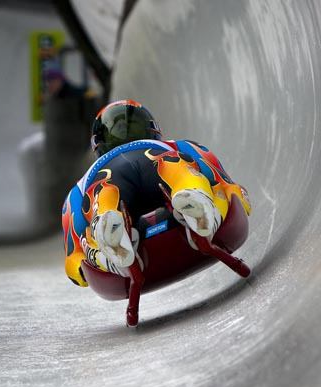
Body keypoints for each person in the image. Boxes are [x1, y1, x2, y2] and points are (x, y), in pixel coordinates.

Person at [62, 100, 251, 323]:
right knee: (178, 169)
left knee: (100, 200)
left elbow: (75, 267)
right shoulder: (181, 145)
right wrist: (237, 198)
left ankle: (113, 246)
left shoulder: (79, 187)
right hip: (157, 156)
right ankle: (196, 203)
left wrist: (84, 266)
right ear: (152, 128)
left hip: (105, 177)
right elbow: (231, 189)